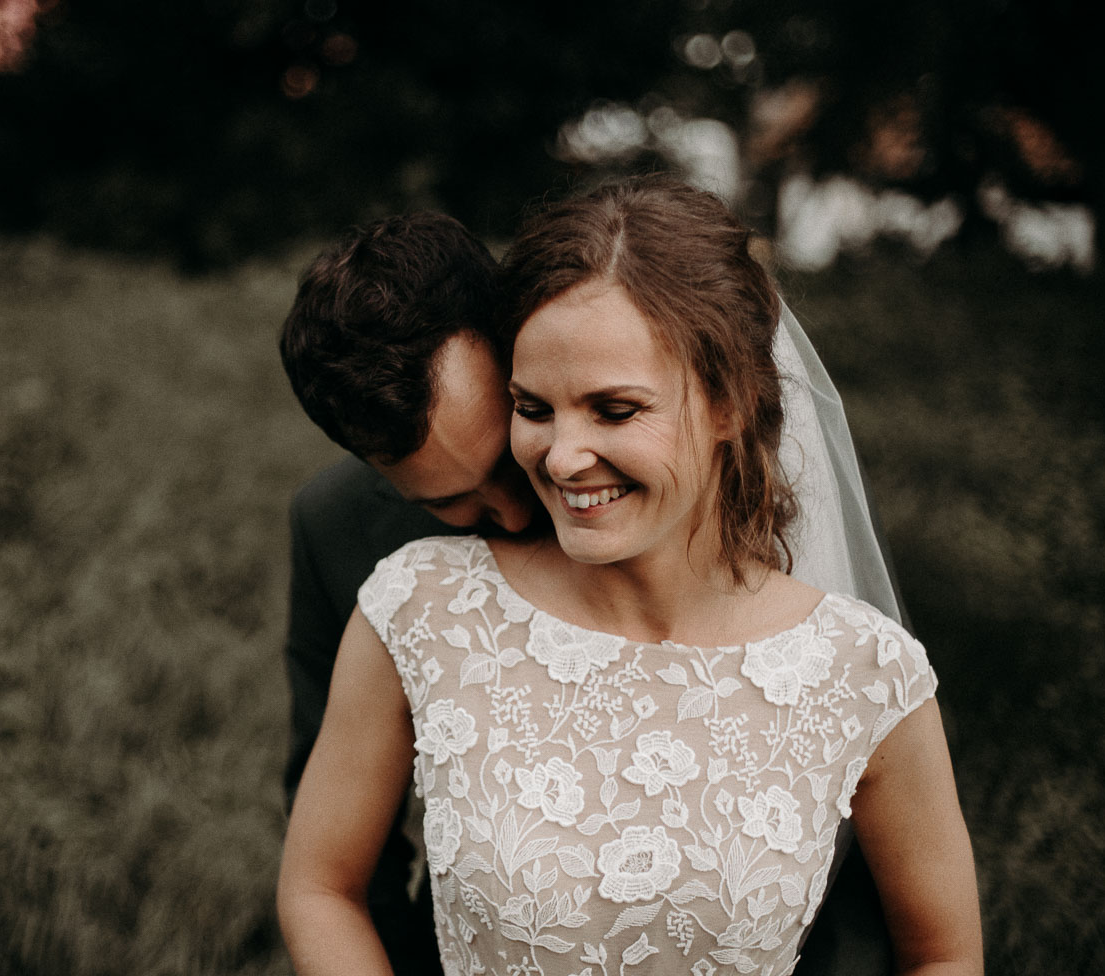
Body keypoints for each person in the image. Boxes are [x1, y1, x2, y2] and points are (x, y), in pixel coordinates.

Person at [277, 176, 983, 975]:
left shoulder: (861, 669)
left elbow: (929, 943)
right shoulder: (409, 595)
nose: (546, 479)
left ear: (730, 402)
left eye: (611, 409)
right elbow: (328, 879)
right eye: (534, 411)